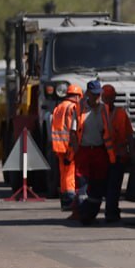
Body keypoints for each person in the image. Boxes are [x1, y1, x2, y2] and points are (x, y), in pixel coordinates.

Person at [72, 80, 122, 225]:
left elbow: (107, 132)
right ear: (87, 94)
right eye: (94, 95)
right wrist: (77, 152)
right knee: (82, 183)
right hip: (84, 150)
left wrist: (111, 154)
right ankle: (82, 212)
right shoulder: (79, 108)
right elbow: (73, 132)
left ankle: (91, 213)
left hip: (100, 151)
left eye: (98, 95)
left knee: (98, 183)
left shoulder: (103, 109)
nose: (96, 98)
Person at [99, 84, 134, 223]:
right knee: (113, 186)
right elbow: (130, 136)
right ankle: (111, 212)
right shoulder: (117, 113)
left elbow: (129, 135)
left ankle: (111, 211)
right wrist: (133, 153)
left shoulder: (100, 113)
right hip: (112, 156)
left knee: (110, 185)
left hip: (110, 156)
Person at [49, 83, 83, 211]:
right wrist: (72, 148)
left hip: (58, 146)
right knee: (70, 174)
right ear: (77, 96)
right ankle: (69, 198)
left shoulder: (58, 108)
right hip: (69, 145)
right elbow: (72, 130)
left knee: (63, 173)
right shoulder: (73, 108)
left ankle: (64, 198)